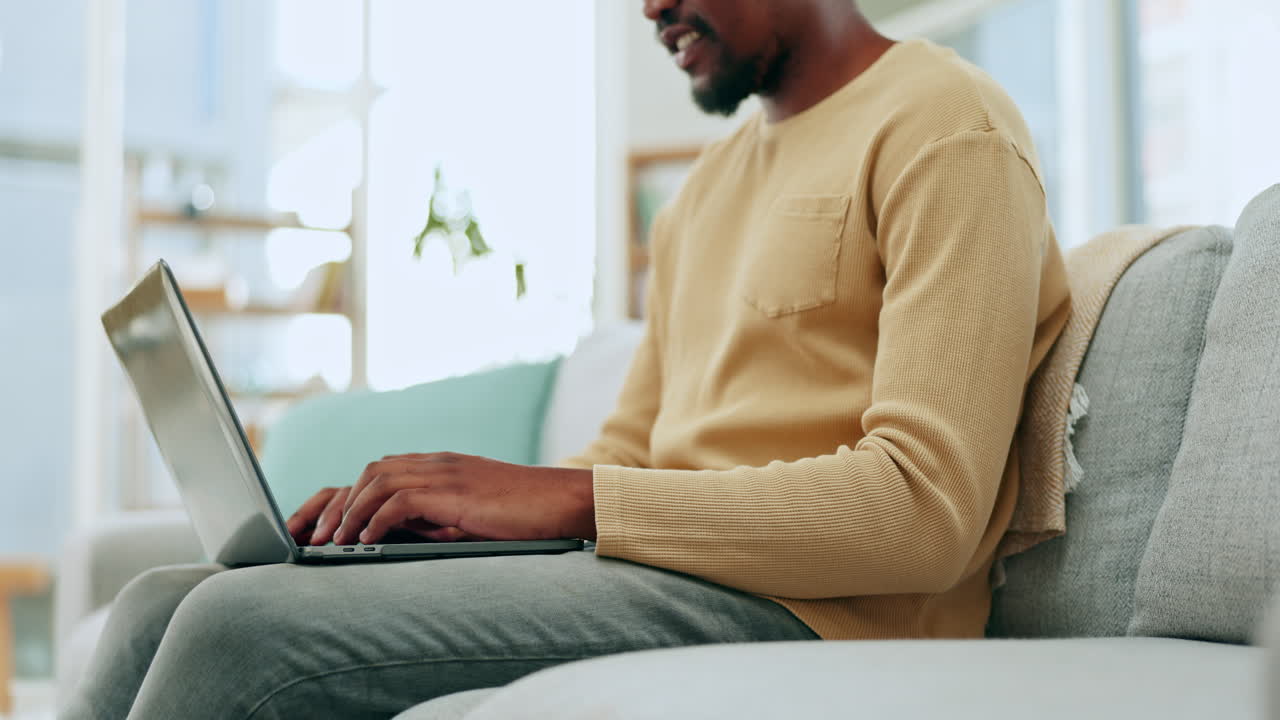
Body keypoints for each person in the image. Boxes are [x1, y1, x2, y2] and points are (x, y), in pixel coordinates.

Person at [65, 0, 1070, 717]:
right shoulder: (703, 192)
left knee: (240, 638)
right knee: (167, 598)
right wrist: (449, 529)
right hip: (667, 573)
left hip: (823, 613)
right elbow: (630, 448)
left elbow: (922, 512)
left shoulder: (946, 128)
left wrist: (576, 500)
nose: (651, 7)